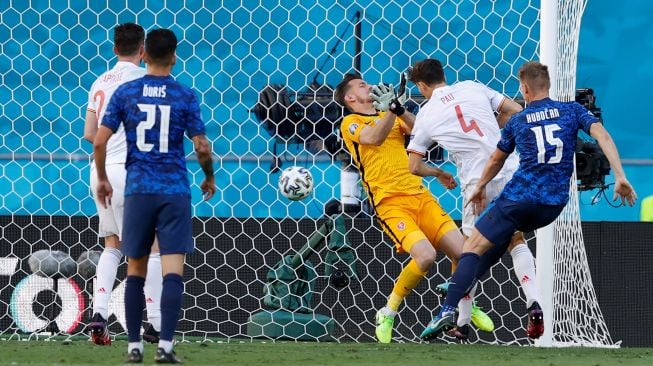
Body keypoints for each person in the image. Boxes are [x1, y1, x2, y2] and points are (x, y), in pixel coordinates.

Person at [419, 61, 637, 340]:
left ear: (523, 88)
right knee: (503, 240)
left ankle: (449, 310)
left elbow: (497, 159)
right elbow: (602, 135)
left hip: (519, 199)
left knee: (472, 247)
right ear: (548, 85)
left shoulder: (519, 120)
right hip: (553, 206)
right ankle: (468, 286)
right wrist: (619, 176)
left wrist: (480, 187)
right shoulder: (572, 110)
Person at [334, 73, 493, 344]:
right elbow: (373, 138)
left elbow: (421, 131)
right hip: (390, 203)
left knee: (466, 254)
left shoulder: (391, 116)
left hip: (420, 196)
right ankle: (388, 311)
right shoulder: (351, 122)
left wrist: (397, 109)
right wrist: (388, 110)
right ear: (350, 97)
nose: (369, 85)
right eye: (362, 85)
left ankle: (464, 301)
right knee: (425, 256)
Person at [94, 28, 215, 363]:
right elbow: (202, 146)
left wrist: (102, 177)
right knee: (172, 269)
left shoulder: (127, 92)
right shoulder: (185, 94)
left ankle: (134, 346)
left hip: (138, 191)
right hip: (173, 190)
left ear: (145, 54)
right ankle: (164, 345)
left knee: (135, 267)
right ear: (174, 57)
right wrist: (209, 177)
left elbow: (99, 140)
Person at [405, 58, 542, 339]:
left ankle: (459, 321)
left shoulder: (426, 114)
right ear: (443, 75)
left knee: (470, 250)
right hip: (510, 169)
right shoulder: (472, 87)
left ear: (421, 85)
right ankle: (534, 301)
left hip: (478, 183)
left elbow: (414, 166)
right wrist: (493, 129)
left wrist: (438, 172)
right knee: (516, 238)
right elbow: (516, 111)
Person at [83, 22, 162, 346]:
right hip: (134, 173)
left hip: (101, 172)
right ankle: (156, 325)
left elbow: (90, 134)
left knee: (112, 245)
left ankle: (99, 315)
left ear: (114, 48)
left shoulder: (99, 82)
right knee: (154, 247)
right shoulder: (146, 82)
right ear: (142, 51)